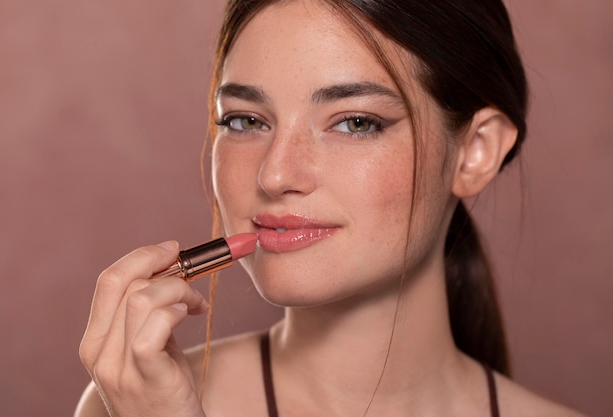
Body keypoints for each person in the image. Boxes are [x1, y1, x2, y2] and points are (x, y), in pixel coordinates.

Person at [75, 1, 585, 416]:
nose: (274, 176)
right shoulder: (132, 405)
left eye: (355, 123)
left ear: (476, 151)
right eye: (245, 121)